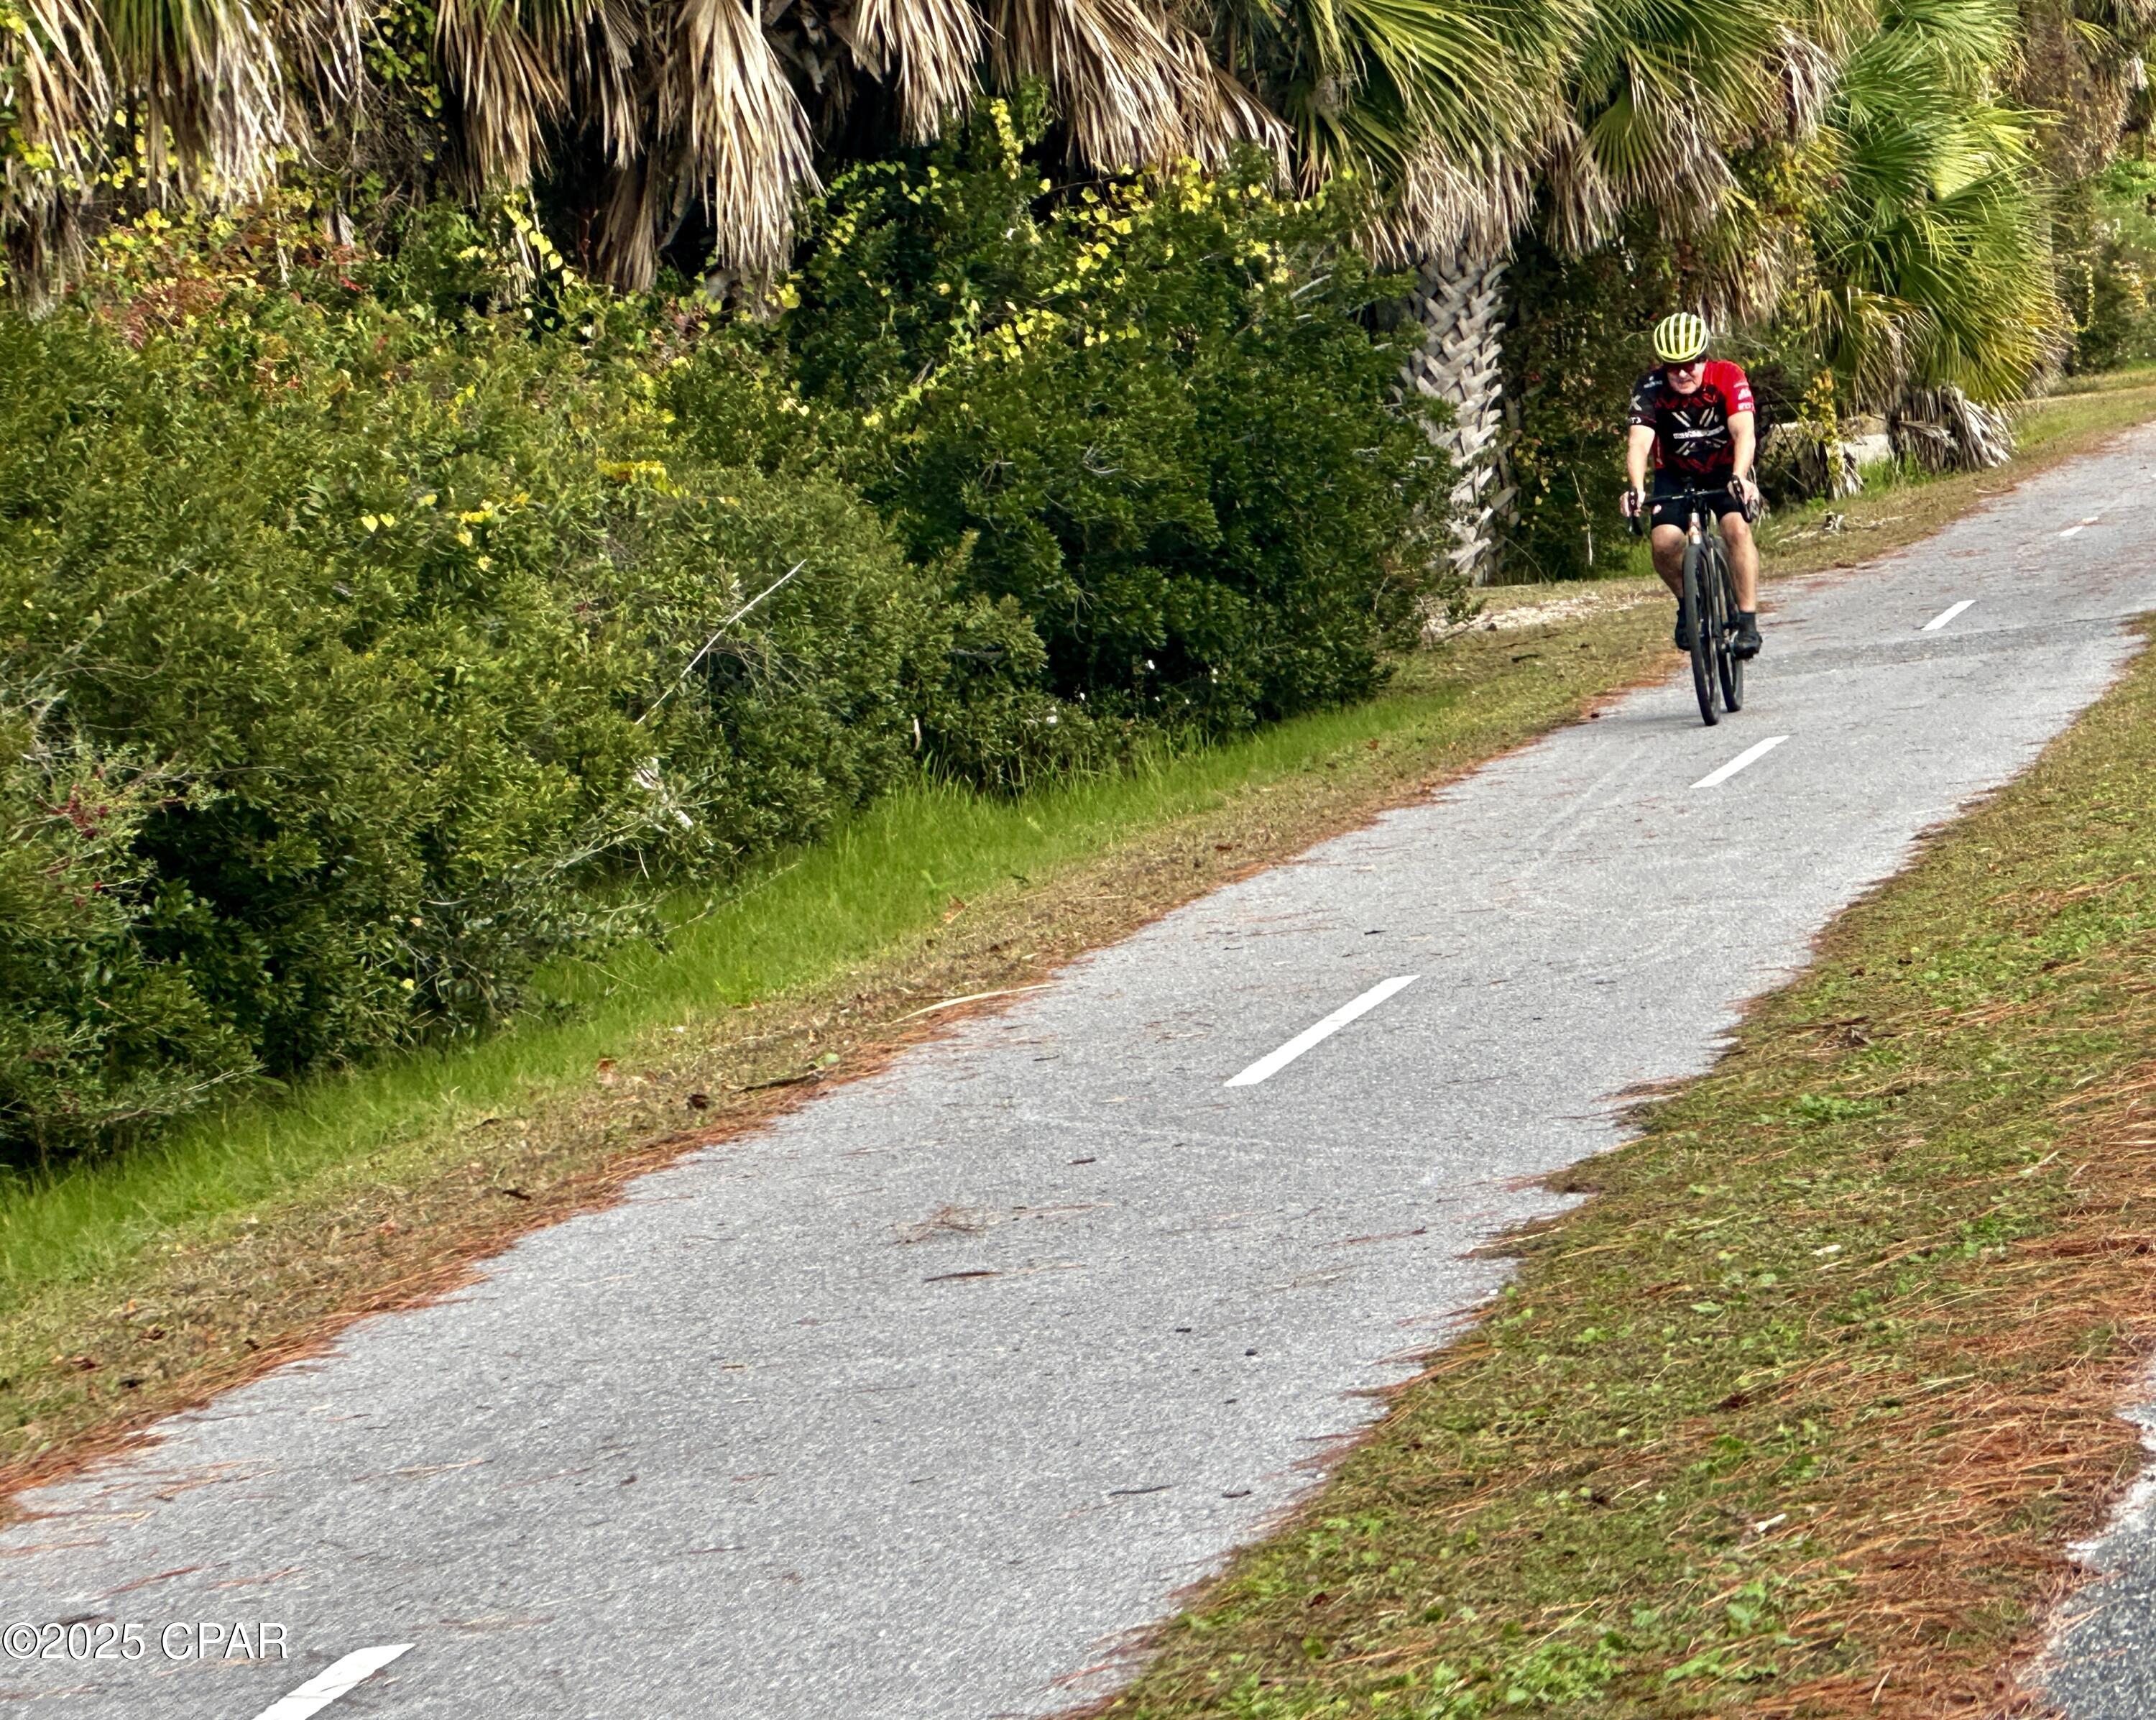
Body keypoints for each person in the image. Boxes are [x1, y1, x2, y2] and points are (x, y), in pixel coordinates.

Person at [1620, 312, 1764, 658]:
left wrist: (1740, 477)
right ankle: (1689, 604)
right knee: (1664, 542)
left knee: (1736, 529)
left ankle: (1747, 622)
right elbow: (1639, 442)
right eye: (1673, 367)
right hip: (1674, 472)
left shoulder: (1728, 375)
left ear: (1703, 358)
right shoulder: (1650, 386)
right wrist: (1636, 488)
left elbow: (1743, 431)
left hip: (1724, 469)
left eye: (1689, 365)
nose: (1682, 374)